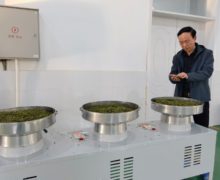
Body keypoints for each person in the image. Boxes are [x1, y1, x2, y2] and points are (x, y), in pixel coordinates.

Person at [169, 26, 214, 128]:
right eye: (181, 42)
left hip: (200, 98)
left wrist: (187, 75)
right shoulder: (177, 56)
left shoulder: (207, 54)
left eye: (187, 41)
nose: (184, 45)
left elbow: (207, 72)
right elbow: (173, 73)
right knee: (179, 128)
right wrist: (173, 78)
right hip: (180, 99)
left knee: (201, 128)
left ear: (195, 38)